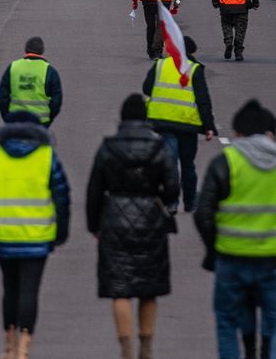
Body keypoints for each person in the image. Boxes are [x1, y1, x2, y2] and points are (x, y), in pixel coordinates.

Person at [194, 100, 276, 359]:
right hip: (275, 258)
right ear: (268, 133)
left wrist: (214, 245)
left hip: (232, 256)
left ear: (238, 132)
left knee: (227, 322)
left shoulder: (225, 161)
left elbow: (203, 211)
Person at [0, 111, 71, 359]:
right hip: (37, 238)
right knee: (29, 291)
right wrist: (61, 231)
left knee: (10, 290)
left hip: (4, 236)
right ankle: (24, 348)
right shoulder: (47, 156)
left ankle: (9, 345)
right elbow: (62, 197)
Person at [86, 95, 180, 359]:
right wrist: (158, 195)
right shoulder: (158, 146)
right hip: (151, 219)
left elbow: (95, 189)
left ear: (122, 118)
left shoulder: (109, 147)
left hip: (114, 219)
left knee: (120, 287)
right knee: (149, 286)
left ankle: (126, 347)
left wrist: (94, 224)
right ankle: (146, 345)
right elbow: (173, 186)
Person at [142, 35, 216, 212]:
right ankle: (190, 202)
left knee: (169, 164)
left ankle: (171, 201)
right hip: (187, 124)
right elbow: (203, 99)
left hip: (163, 122)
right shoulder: (195, 69)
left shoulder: (160, 65)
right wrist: (208, 126)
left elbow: (146, 87)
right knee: (188, 165)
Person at [0, 37, 63, 126]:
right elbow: (57, 101)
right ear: (42, 51)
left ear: (26, 50)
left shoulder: (13, 67)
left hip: (15, 120)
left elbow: (2, 97)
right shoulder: (50, 71)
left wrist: (7, 117)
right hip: (40, 122)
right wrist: (48, 119)